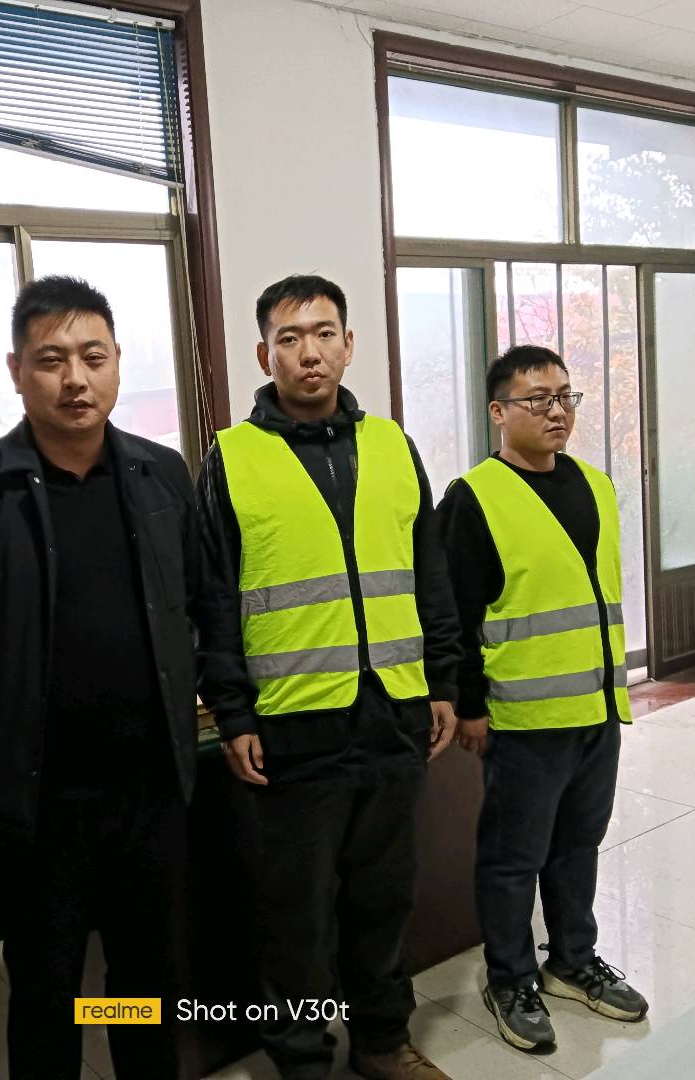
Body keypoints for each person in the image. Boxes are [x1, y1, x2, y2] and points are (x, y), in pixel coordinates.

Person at [0, 276, 198, 1080]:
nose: (75, 379)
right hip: (38, 800)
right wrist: (13, 691)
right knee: (46, 981)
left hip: (150, 788)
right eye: (51, 359)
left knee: (145, 979)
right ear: (16, 370)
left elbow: (194, 600)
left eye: (92, 357)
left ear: (117, 362)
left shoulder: (162, 476)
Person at [196, 274, 462, 1080]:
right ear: (264, 355)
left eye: (322, 334)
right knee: (296, 914)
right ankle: (302, 1059)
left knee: (384, 897)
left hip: (393, 714)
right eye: (289, 338)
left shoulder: (393, 446)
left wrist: (443, 682)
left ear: (349, 345)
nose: (308, 352)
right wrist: (234, 713)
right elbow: (213, 597)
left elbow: (429, 574)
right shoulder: (232, 458)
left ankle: (381, 1042)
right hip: (293, 723)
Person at [436, 345, 648, 1055]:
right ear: (498, 412)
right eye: (537, 399)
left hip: (597, 710)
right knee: (512, 858)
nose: (556, 411)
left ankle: (573, 961)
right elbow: (454, 615)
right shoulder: (473, 499)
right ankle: (510, 978)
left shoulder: (595, 485)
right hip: (524, 718)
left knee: (578, 846)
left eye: (564, 396)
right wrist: (470, 705)